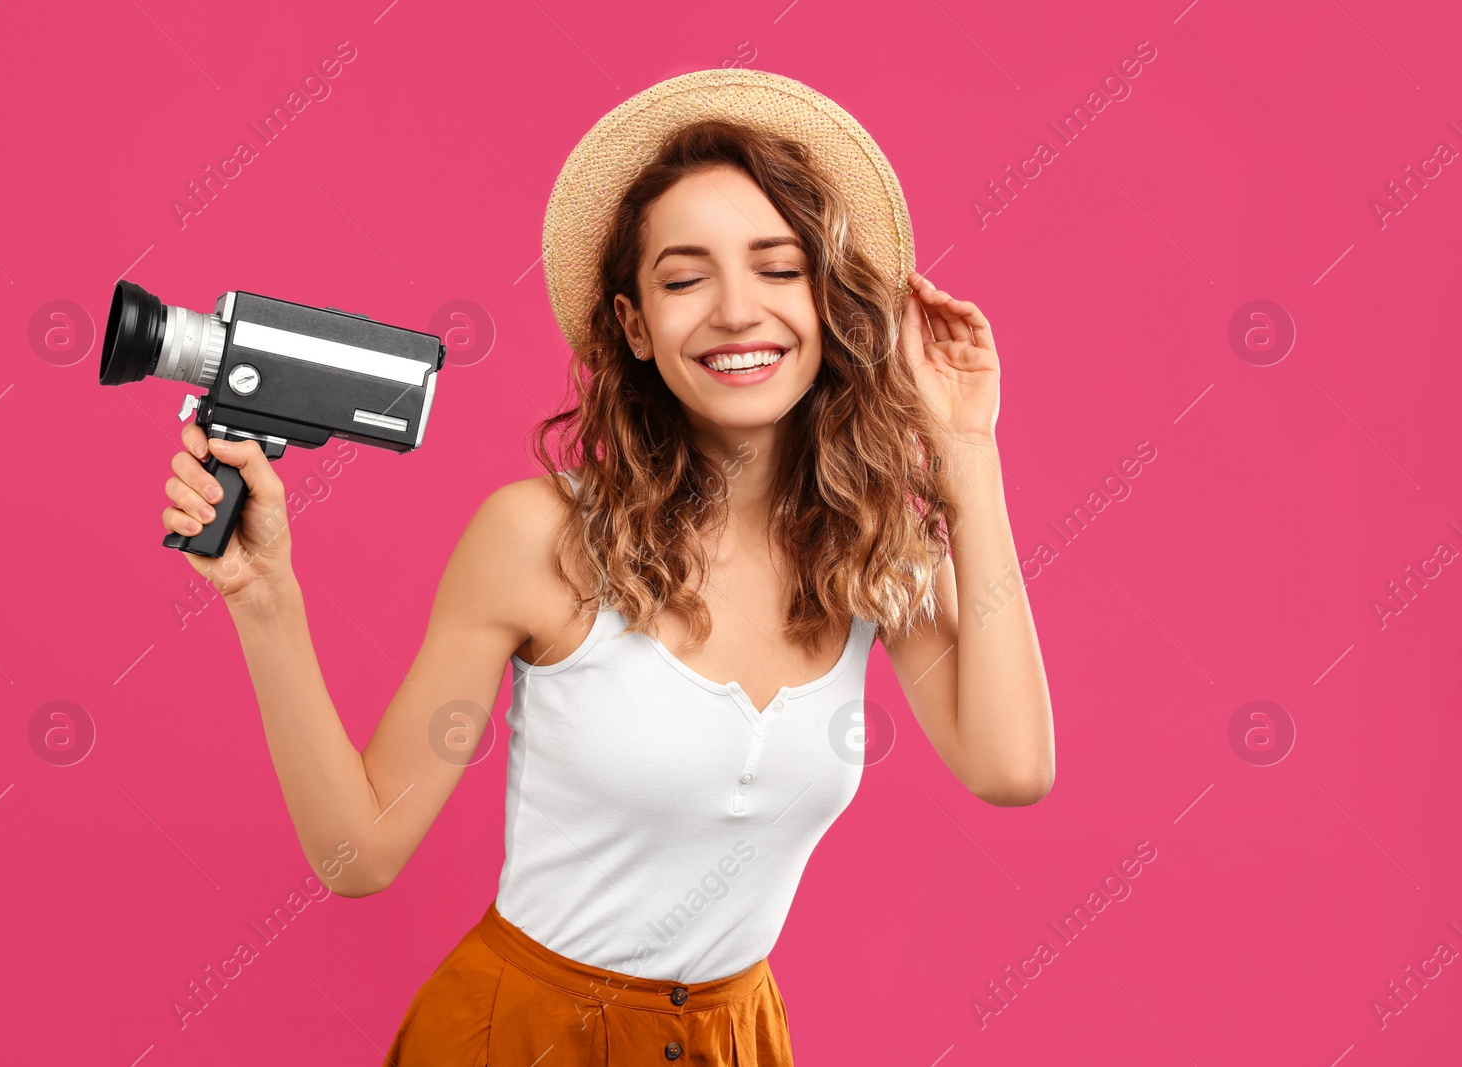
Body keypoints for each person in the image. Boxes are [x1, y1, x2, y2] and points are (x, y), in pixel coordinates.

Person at [158, 68, 1054, 1065]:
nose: (733, 309)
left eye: (777, 267)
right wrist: (263, 594)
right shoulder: (538, 536)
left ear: (827, 300)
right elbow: (358, 851)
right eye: (683, 278)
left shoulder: (868, 550)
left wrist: (970, 455)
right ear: (633, 326)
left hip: (735, 1040)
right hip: (516, 1035)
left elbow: (1011, 766)